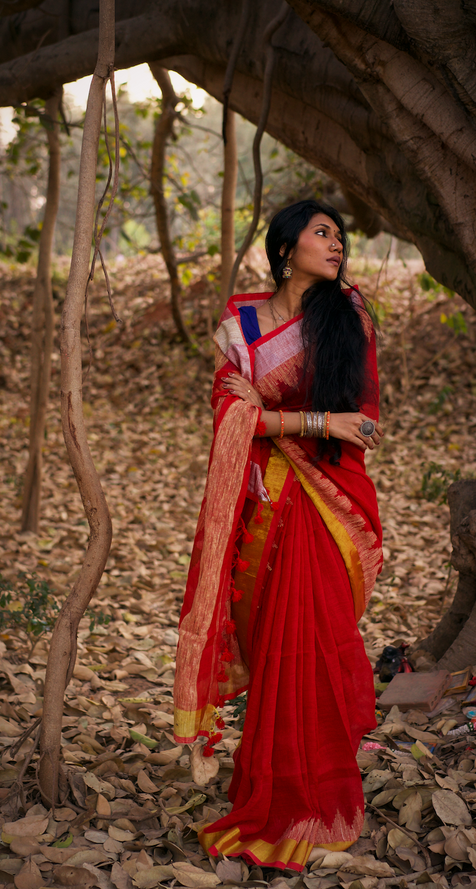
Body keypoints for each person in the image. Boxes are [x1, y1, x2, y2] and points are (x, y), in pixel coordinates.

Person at [173, 200, 383, 872]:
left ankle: (316, 800)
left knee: (316, 644)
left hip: (323, 506)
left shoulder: (348, 321)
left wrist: (285, 418)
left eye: (340, 236)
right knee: (272, 648)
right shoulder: (240, 321)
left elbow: (363, 423)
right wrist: (310, 420)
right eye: (322, 232)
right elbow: (230, 415)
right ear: (286, 246)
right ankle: (269, 792)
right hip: (261, 507)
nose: (337, 244)